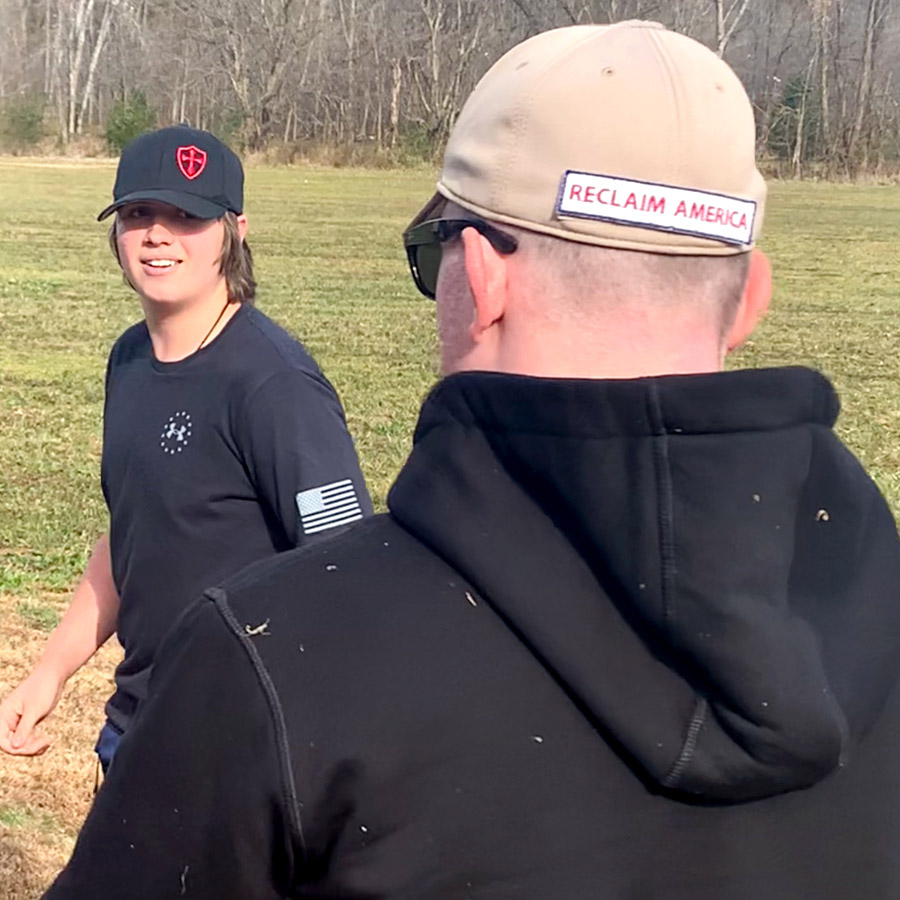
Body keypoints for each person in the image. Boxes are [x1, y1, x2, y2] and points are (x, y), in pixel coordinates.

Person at [43, 22, 900, 900]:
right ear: (750, 296)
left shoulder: (280, 661)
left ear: (482, 280)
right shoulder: (880, 600)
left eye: (432, 259)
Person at [0, 124, 372, 774]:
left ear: (235, 230)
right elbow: (132, 538)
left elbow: (346, 575)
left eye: (187, 216)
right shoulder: (131, 359)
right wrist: (48, 674)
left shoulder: (273, 385)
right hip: (141, 724)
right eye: (139, 214)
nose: (157, 235)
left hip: (237, 746)